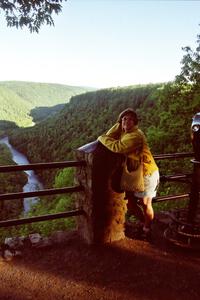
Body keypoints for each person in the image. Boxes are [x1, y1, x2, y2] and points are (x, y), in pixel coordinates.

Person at [97, 108, 159, 238]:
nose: (127, 121)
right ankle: (145, 222)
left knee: (145, 203)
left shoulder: (135, 135)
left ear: (135, 122)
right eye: (124, 118)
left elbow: (117, 147)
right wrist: (120, 124)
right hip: (134, 173)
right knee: (130, 203)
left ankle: (147, 229)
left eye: (130, 119)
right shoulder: (126, 132)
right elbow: (111, 136)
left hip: (147, 174)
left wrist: (101, 138)